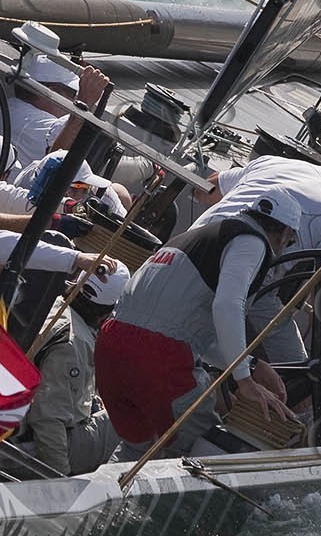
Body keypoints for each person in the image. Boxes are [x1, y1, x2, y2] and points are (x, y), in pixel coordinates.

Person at [95, 189, 305, 457]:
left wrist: (251, 364)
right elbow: (227, 305)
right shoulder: (252, 241)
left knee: (135, 449)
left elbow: (188, 335)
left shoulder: (195, 237)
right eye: (290, 241)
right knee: (202, 451)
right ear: (285, 233)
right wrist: (244, 380)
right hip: (160, 360)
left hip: (110, 348)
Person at [191, 151, 321, 329]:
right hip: (243, 277)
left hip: (192, 242)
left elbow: (205, 189)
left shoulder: (276, 162)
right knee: (283, 350)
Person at [11, 264, 128, 476]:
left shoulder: (53, 306)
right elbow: (48, 419)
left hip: (18, 428)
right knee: (126, 421)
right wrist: (59, 478)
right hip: (26, 450)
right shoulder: (73, 344)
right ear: (108, 312)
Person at [0, 23, 110, 172]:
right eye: (73, 95)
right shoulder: (39, 123)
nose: (73, 101)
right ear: (51, 92)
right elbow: (57, 159)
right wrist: (83, 102)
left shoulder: (10, 107)